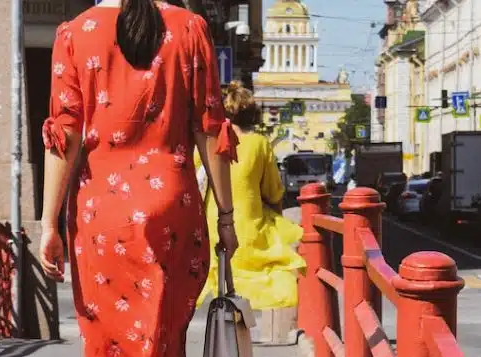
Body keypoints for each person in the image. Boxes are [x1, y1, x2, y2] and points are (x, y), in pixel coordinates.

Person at [37, 1, 239, 356]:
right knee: (164, 335)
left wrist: (48, 224)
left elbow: (63, 136)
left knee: (106, 339)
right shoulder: (189, 28)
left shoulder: (75, 34)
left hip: (101, 214)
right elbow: (210, 130)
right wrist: (226, 216)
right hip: (172, 205)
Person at [195, 81, 306, 310]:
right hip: (247, 233)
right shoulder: (260, 144)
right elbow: (273, 192)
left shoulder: (207, 142)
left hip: (211, 231)